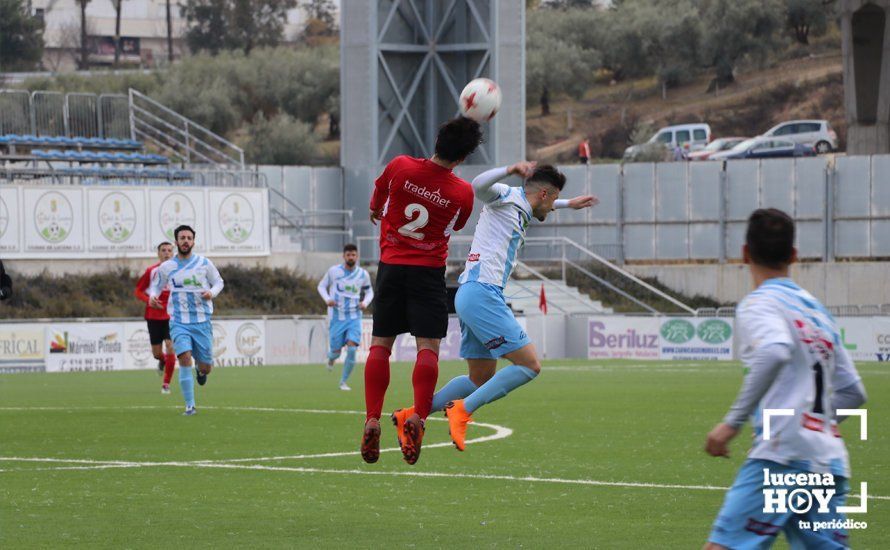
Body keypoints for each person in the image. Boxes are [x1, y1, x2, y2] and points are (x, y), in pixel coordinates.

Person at [392, 163, 597, 452]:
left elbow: (538, 201)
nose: (552, 210)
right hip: (482, 294)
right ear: (543, 193)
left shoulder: (524, 203)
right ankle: (462, 411)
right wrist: (510, 168)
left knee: (480, 378)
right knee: (529, 365)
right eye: (553, 202)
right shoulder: (506, 196)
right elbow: (478, 186)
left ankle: (411, 416)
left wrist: (566, 203)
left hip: (471, 294)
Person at [703, 208, 867, 550]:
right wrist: (813, 424)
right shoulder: (816, 309)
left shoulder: (759, 304)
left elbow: (775, 350)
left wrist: (731, 424)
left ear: (745, 253)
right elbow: (853, 392)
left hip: (781, 458)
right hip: (828, 462)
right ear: (794, 255)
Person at [362, 116, 482, 465]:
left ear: (437, 139)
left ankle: (371, 419)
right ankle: (417, 419)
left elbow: (379, 194)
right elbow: (458, 223)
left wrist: (374, 208)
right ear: (462, 158)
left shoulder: (400, 166)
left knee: (380, 345)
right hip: (428, 274)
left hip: (391, 268)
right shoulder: (462, 191)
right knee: (427, 348)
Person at [149, 225, 224, 416]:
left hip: (201, 321)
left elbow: (219, 282)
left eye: (189, 238)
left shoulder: (204, 263)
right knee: (183, 358)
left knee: (207, 368)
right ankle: (190, 406)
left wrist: (211, 293)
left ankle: (200, 369)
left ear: (193, 242)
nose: (185, 241)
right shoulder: (166, 267)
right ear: (176, 242)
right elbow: (156, 287)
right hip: (178, 321)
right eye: (182, 238)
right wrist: (153, 297)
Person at [317, 243, 374, 391]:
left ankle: (343, 382)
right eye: (348, 255)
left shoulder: (363, 274)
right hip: (337, 317)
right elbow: (321, 286)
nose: (351, 257)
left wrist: (365, 303)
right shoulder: (333, 271)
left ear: (357, 256)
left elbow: (370, 292)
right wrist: (327, 299)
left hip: (354, 316)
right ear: (344, 256)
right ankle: (331, 359)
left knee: (352, 349)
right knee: (335, 352)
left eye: (353, 255)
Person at [134, 242, 177, 393]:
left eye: (169, 250)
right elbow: (138, 291)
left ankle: (166, 384)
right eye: (163, 250)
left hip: (172, 316)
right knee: (157, 354)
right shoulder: (151, 271)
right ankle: (162, 361)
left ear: (173, 253)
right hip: (153, 316)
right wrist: (149, 301)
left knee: (171, 347)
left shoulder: (179, 271)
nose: (166, 253)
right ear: (158, 254)